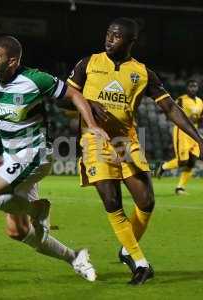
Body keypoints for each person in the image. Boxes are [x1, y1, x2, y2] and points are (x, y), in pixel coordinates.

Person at [0, 35, 109, 281]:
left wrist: (91, 125)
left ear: (12, 61)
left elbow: (75, 95)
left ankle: (36, 210)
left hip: (35, 153)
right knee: (18, 231)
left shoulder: (36, 79)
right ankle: (75, 257)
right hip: (13, 158)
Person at [66, 18, 203, 285]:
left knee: (146, 201)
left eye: (117, 36)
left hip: (127, 142)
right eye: (108, 34)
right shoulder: (88, 64)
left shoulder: (142, 73)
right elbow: (65, 98)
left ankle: (128, 249)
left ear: (131, 41)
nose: (109, 39)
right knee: (112, 201)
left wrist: (198, 138)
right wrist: (90, 104)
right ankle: (141, 263)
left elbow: (171, 108)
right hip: (94, 140)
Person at [155, 79, 203, 194]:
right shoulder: (181, 100)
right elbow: (173, 112)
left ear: (197, 88)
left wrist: (198, 120)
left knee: (192, 161)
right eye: (191, 86)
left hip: (194, 133)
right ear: (187, 88)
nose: (193, 88)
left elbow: (200, 117)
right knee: (183, 161)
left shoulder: (200, 102)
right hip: (182, 131)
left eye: (195, 86)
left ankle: (180, 187)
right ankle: (163, 167)